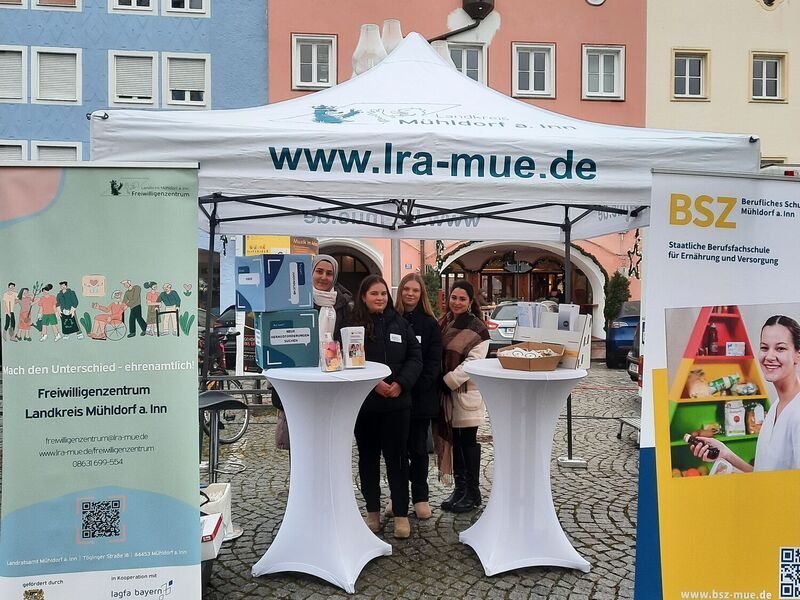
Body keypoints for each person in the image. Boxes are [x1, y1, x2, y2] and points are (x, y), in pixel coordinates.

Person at [348, 274, 422, 539]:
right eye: (374, 294)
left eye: (383, 294)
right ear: (364, 297)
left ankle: (401, 513)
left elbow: (415, 357)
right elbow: (349, 358)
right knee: (368, 460)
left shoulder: (400, 323)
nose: (379, 298)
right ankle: (372, 512)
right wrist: (374, 383)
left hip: (397, 404)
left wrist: (401, 383)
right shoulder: (353, 325)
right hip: (366, 404)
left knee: (398, 460)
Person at [692, 315, 800, 472]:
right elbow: (762, 474)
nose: (769, 356)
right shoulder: (777, 405)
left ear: (797, 355)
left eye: (780, 348)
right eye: (764, 348)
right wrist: (726, 454)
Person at [271, 254, 355, 450]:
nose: (324, 277)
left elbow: (346, 339)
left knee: (327, 438)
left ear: (335, 277)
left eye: (329, 273)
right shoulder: (296, 299)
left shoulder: (344, 304)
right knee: (299, 442)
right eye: (319, 271)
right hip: (300, 377)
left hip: (331, 378)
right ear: (311, 273)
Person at [385, 273, 442, 521]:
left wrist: (411, 386)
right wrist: (396, 385)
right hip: (394, 397)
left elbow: (433, 363)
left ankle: (421, 497)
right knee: (396, 451)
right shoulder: (390, 320)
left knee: (418, 451)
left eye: (415, 290)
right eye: (406, 289)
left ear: (421, 295)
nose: (410, 293)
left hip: (419, 398)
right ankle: (396, 497)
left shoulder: (430, 324)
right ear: (400, 292)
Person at [435, 280, 490, 513]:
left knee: (467, 442)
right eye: (453, 298)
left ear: (469, 302)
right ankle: (460, 489)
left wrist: (447, 381)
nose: (456, 302)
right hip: (447, 398)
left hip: (465, 394)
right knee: (456, 442)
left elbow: (472, 363)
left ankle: (473, 492)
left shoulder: (478, 329)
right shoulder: (444, 322)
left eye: (462, 299)